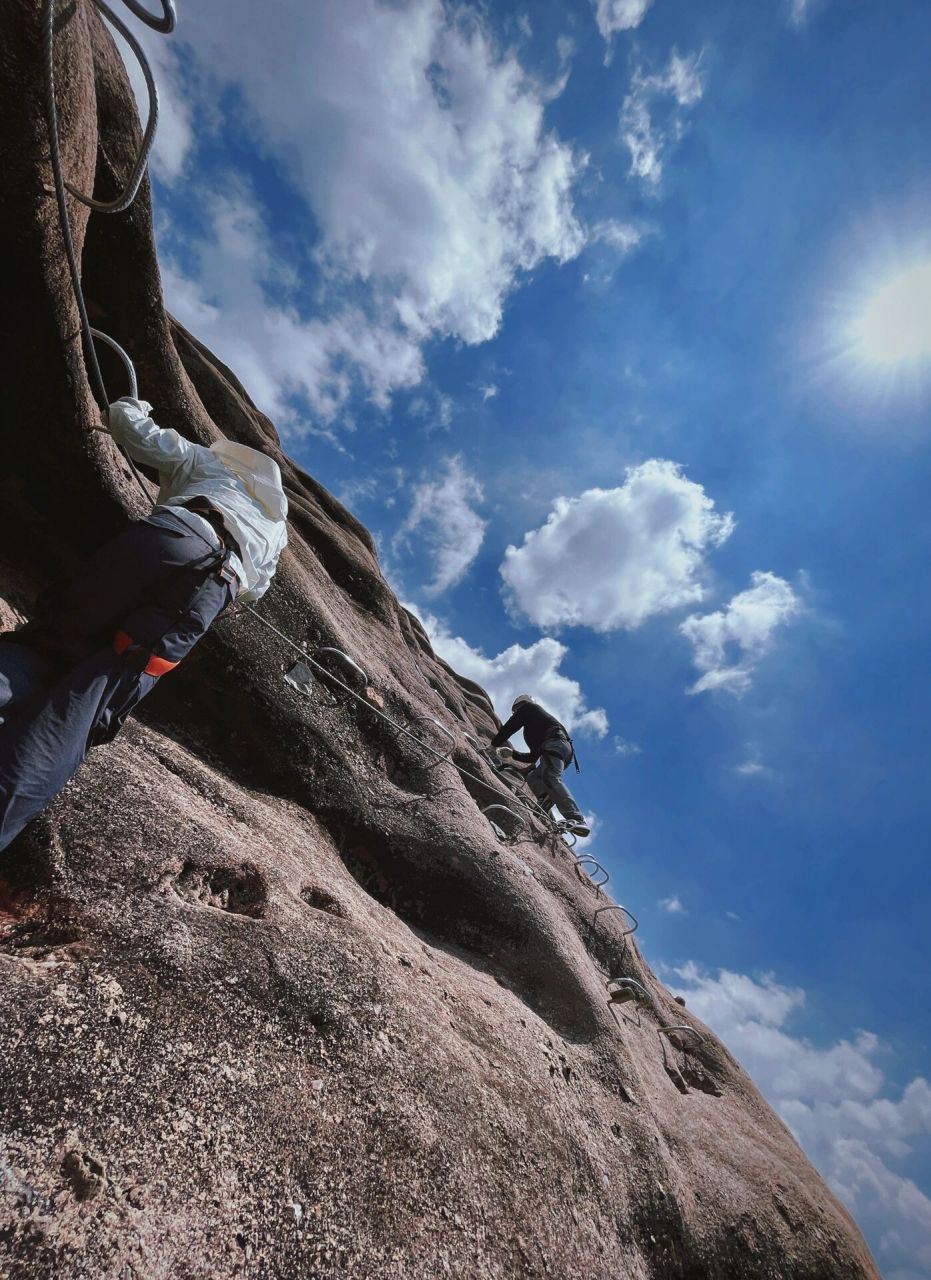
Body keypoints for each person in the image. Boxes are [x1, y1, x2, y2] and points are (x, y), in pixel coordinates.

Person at [0, 397, 289, 853]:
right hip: (216, 584)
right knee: (99, 692)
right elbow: (259, 587)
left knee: (51, 643)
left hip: (172, 536)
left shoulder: (208, 460)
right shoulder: (276, 524)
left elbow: (131, 430)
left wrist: (134, 403)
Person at [488, 694, 589, 836]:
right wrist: (512, 754)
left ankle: (576, 818)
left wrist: (494, 745)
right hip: (558, 750)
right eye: (515, 709)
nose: (517, 711)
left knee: (551, 777)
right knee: (533, 777)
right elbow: (533, 756)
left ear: (526, 703)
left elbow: (510, 727)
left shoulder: (530, 709)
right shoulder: (532, 729)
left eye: (518, 707)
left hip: (555, 745)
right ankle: (545, 798)